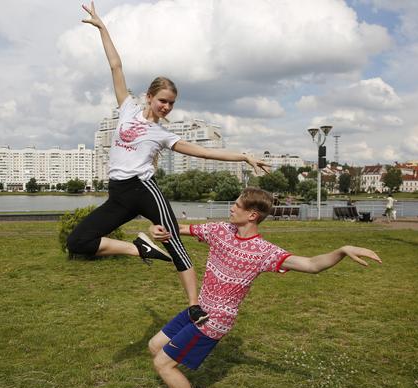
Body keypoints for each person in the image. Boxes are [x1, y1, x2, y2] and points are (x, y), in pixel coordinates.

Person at [68, 2, 271, 324]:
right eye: (163, 100)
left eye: (172, 104)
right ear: (149, 97)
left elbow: (203, 153)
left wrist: (243, 155)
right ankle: (140, 249)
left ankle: (194, 305)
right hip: (118, 192)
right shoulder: (127, 108)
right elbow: (116, 67)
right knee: (79, 241)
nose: (167, 107)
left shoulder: (162, 133)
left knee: (173, 237)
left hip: (143, 189)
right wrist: (102, 28)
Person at [147, 187, 382, 388]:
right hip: (198, 308)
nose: (231, 207)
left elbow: (312, 264)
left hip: (215, 319)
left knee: (163, 363)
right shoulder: (219, 230)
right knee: (155, 345)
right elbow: (176, 230)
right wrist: (158, 230)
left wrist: (342, 250)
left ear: (252, 215)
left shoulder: (264, 251)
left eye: (237, 205)